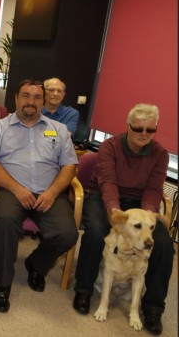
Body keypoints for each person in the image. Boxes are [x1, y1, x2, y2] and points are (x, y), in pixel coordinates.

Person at [73, 104, 173, 335]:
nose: (144, 135)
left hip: (140, 206)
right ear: (128, 126)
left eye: (150, 130)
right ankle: (84, 290)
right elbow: (107, 181)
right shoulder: (110, 146)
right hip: (104, 198)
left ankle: (153, 307)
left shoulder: (160, 154)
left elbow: (153, 189)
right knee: (97, 232)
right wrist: (115, 212)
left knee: (165, 245)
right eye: (138, 129)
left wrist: (148, 215)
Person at [0, 79, 78, 313]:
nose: (31, 102)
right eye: (26, 96)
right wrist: (17, 188)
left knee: (67, 234)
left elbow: (69, 167)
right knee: (4, 222)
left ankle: (36, 264)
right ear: (16, 98)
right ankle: (3, 284)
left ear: (43, 102)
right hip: (11, 190)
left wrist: (53, 192)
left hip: (49, 192)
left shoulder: (59, 130)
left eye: (36, 97)